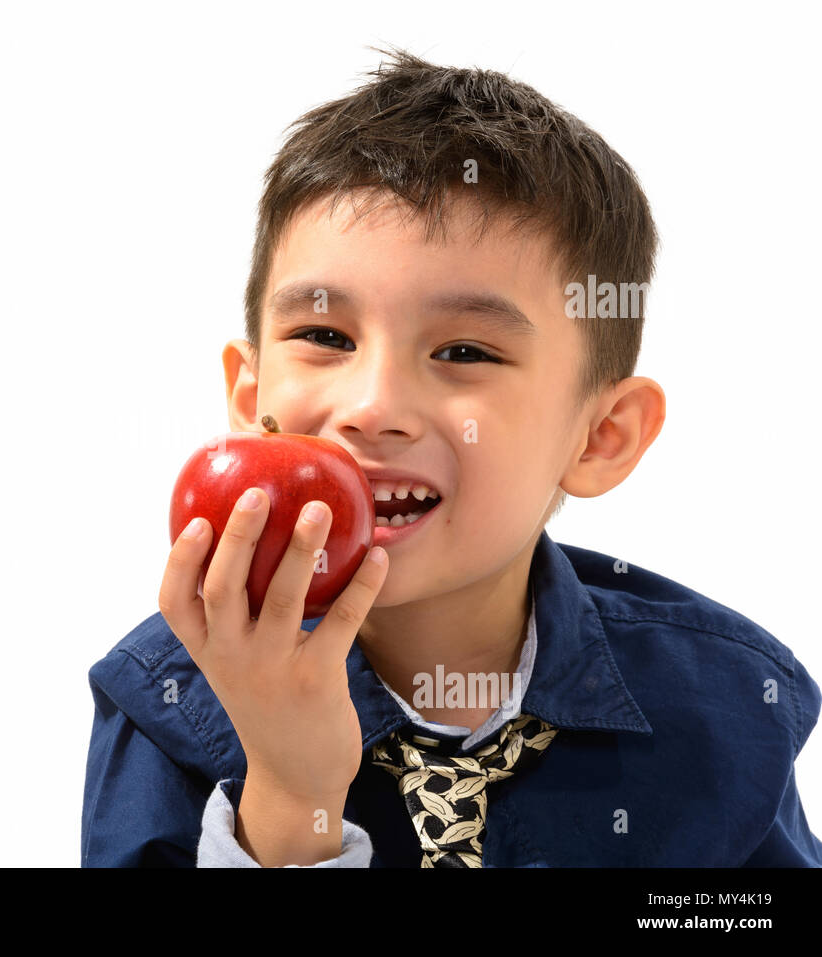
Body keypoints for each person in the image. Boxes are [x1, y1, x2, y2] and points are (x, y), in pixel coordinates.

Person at [81, 47, 822, 867]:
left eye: (465, 350)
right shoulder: (170, 694)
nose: (372, 408)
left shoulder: (725, 702)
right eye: (325, 336)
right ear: (248, 395)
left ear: (601, 436)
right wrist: (294, 796)